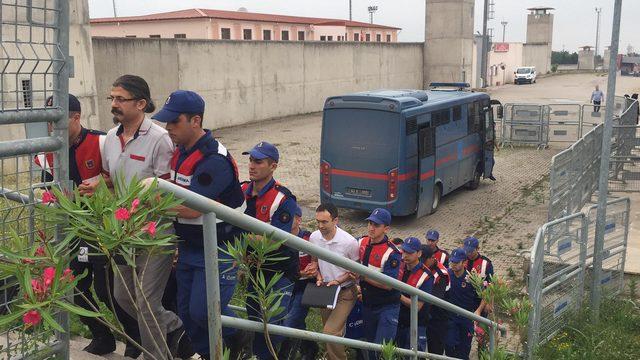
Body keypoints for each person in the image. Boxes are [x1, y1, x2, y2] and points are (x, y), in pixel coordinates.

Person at [78, 75, 186, 359]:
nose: (114, 104)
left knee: (147, 301)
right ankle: (174, 325)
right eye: (111, 98)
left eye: (120, 99)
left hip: (153, 233)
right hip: (121, 231)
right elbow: (113, 177)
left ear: (141, 103)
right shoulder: (111, 138)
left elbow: (167, 189)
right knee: (124, 296)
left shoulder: (160, 140)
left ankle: (157, 355)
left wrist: (138, 206)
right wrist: (99, 183)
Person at [35, 94, 141, 357]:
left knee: (109, 291)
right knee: (74, 288)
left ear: (76, 117)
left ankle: (134, 338)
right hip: (69, 228)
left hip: (103, 227)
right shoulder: (46, 153)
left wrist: (100, 187)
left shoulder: (103, 142)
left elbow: (123, 180)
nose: (52, 128)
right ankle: (101, 335)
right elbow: (47, 191)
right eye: (48, 122)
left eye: (57, 121)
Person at [150, 90, 246, 360]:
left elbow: (193, 208)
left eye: (174, 122)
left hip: (220, 246)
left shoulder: (213, 159)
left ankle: (238, 336)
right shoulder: (182, 151)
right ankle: (208, 354)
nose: (168, 128)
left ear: (195, 121)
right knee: (188, 313)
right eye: (167, 122)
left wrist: (152, 204)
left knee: (204, 311)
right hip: (191, 243)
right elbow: (177, 190)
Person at [241, 141, 299, 359]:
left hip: (280, 271)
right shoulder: (241, 190)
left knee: (272, 324)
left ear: (273, 166)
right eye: (250, 160)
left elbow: (275, 242)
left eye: (258, 161)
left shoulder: (283, 198)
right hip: (254, 269)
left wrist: (238, 235)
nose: (251, 165)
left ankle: (281, 350)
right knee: (254, 320)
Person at [309, 203, 359, 360]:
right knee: (330, 332)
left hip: (346, 292)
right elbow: (314, 261)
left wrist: (338, 280)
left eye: (324, 222)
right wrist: (318, 276)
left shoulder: (349, 242)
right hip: (326, 291)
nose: (320, 226)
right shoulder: (314, 237)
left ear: (335, 220)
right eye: (318, 221)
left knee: (329, 333)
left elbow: (356, 270)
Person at [357, 208, 402, 358]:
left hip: (387, 307)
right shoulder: (361, 241)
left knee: (381, 349)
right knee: (370, 346)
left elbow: (388, 284)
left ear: (386, 228)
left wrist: (362, 278)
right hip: (368, 304)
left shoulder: (393, 253)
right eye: (370, 223)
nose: (371, 227)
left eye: (376, 225)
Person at [279, 205, 319, 360]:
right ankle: (310, 348)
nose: (286, 219)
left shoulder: (308, 238)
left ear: (299, 219)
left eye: (290, 216)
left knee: (291, 320)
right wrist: (299, 272)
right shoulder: (280, 237)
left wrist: (314, 264)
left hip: (305, 287)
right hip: (286, 284)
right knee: (292, 320)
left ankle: (284, 354)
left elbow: (318, 255)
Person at [395, 237, 434, 352]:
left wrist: (397, 295)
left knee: (414, 354)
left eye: (409, 252)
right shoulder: (399, 266)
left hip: (416, 325)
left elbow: (417, 306)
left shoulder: (426, 276)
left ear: (419, 253)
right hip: (398, 321)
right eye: (404, 251)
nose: (405, 255)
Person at [445, 248, 482, 360]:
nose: (453, 265)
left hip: (466, 318)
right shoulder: (446, 274)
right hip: (450, 317)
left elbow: (485, 294)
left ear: (464, 262)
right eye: (452, 262)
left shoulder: (472, 277)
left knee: (464, 349)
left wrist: (478, 311)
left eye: (456, 262)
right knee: (449, 345)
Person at [422, 244, 450, 355]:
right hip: (425, 314)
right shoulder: (423, 266)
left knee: (435, 350)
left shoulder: (441, 273)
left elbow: (435, 298)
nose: (422, 262)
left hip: (438, 317)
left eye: (424, 260)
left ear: (432, 258)